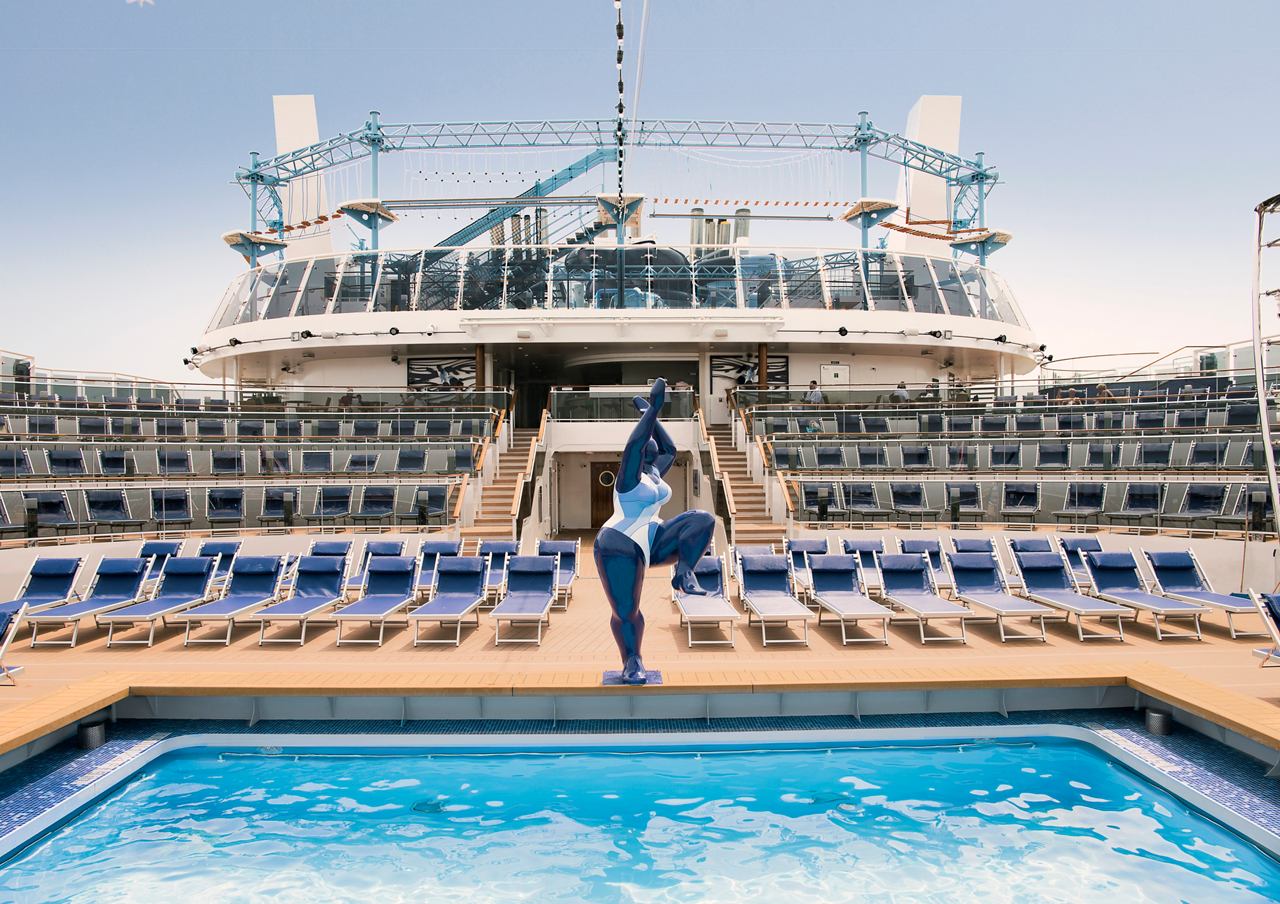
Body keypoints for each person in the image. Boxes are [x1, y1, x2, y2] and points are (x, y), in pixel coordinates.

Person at [593, 378, 716, 684]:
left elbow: (671, 448)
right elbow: (633, 445)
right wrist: (652, 412)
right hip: (619, 544)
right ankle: (632, 660)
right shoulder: (628, 478)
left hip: (653, 537)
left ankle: (684, 572)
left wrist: (652, 413)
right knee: (626, 611)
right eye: (648, 447)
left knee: (702, 520)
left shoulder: (653, 474)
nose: (652, 450)